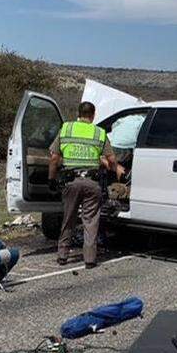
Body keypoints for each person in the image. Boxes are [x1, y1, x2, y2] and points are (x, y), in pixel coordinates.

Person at [47, 101, 122, 268]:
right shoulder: (99, 133)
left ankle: (62, 256)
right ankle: (89, 259)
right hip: (91, 182)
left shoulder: (66, 128)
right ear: (93, 115)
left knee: (69, 219)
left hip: (71, 181)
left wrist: (51, 179)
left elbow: (53, 157)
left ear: (78, 113)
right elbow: (111, 160)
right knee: (90, 221)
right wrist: (115, 174)